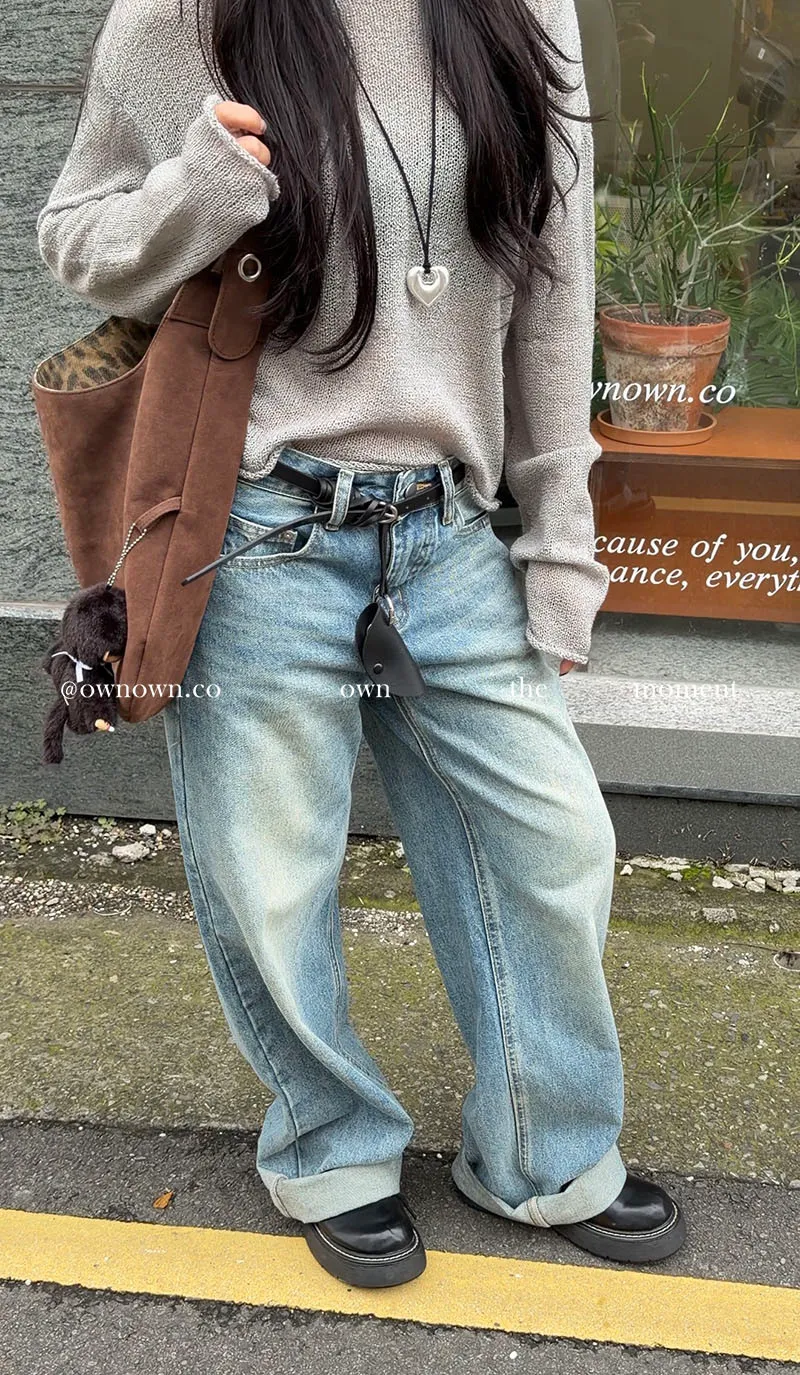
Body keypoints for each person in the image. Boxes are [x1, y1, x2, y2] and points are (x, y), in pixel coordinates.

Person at [36, 0, 686, 1288]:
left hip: (449, 533)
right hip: (257, 527)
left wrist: (562, 543)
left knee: (551, 843)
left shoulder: (526, 16)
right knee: (270, 871)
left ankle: (544, 1153)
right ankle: (332, 1144)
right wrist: (198, 191)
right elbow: (76, 242)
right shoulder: (184, 19)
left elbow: (556, 293)